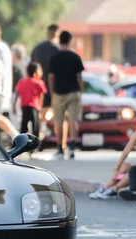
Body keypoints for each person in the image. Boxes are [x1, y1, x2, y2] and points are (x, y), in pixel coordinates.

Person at [48, 31, 84, 159]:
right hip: (74, 92)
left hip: (58, 93)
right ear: (69, 41)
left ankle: (60, 147)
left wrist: (52, 92)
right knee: (73, 119)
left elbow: (51, 77)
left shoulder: (54, 57)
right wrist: (81, 90)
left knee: (59, 121)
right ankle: (72, 146)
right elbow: (79, 77)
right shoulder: (75, 57)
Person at [31, 24, 59, 122]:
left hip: (39, 85)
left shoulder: (38, 48)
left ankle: (42, 128)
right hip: (56, 87)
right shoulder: (59, 49)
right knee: (57, 113)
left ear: (47, 33)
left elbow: (31, 67)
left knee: (41, 111)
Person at [13, 62, 47, 137]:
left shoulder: (22, 82)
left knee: (23, 127)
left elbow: (17, 93)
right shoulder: (39, 83)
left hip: (24, 107)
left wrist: (14, 106)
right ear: (36, 72)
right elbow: (41, 96)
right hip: (34, 107)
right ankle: (35, 145)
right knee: (35, 127)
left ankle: (22, 143)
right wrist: (40, 109)